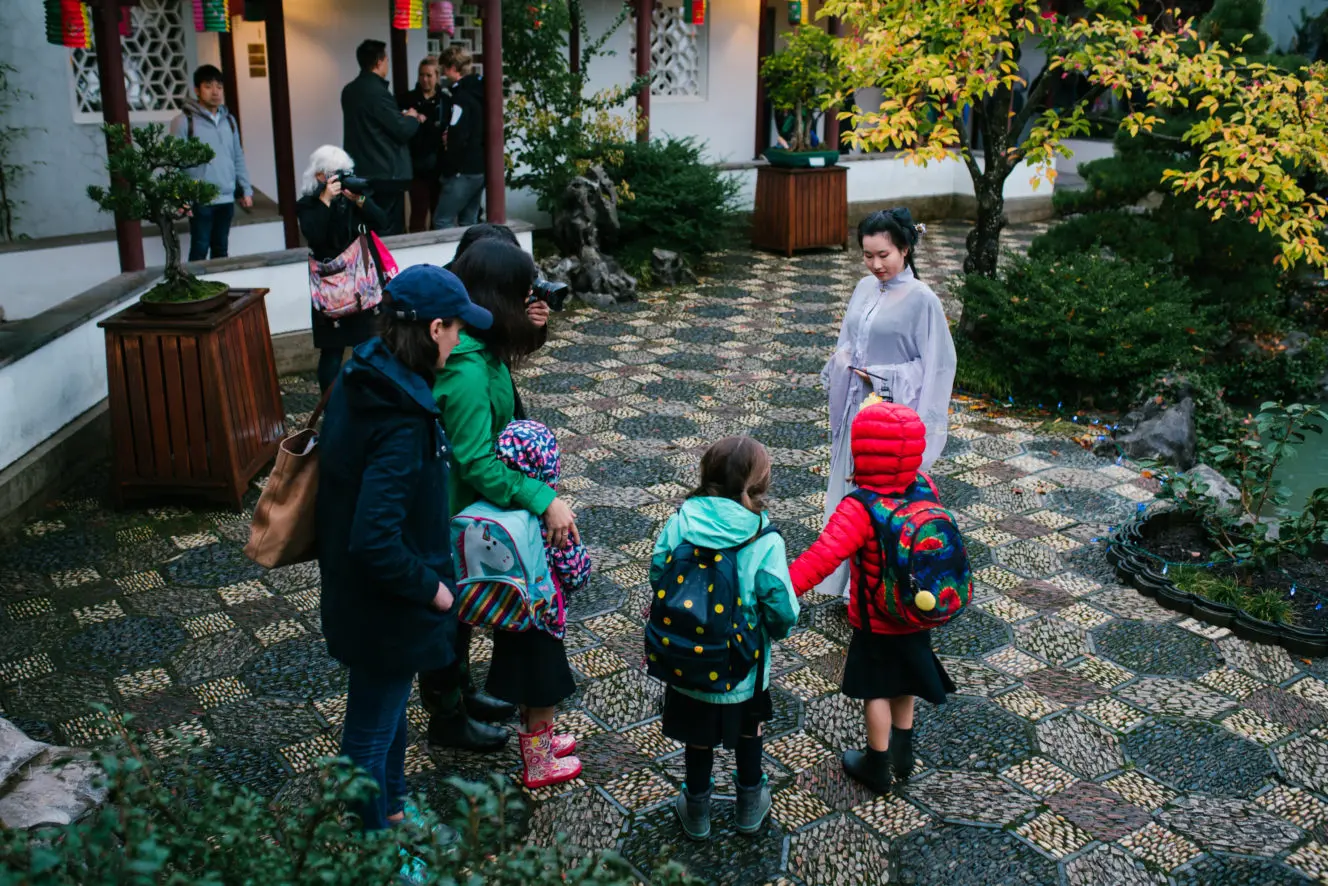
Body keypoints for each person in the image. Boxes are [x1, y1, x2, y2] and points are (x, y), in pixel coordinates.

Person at [315, 263, 493, 837]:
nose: (459, 341)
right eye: (457, 329)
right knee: (369, 734)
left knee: (387, 717)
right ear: (434, 328)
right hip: (387, 602)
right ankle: (377, 850)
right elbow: (375, 538)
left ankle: (392, 811)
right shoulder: (398, 415)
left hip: (362, 593)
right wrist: (434, 590)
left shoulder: (366, 375)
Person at [417, 238, 576, 752]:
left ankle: (463, 696)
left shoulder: (480, 348)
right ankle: (447, 718)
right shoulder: (465, 369)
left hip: (471, 512)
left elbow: (509, 353)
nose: (531, 296)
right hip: (452, 515)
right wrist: (542, 498)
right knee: (448, 620)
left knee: (460, 614)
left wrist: (536, 326)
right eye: (522, 291)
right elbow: (477, 461)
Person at [788, 401, 958, 795]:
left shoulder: (860, 508)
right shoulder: (925, 486)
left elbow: (821, 558)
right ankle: (904, 753)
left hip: (876, 621)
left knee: (877, 689)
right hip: (917, 611)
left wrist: (781, 590)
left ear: (862, 451)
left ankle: (877, 763)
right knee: (906, 680)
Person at [651, 436, 799, 841]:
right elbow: (781, 607)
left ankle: (696, 808)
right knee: (750, 731)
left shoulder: (681, 522)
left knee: (697, 737)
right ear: (759, 485)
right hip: (743, 667)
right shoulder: (765, 538)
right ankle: (749, 804)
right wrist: (775, 631)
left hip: (687, 660)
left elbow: (658, 571)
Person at [817, 207, 956, 598]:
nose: (876, 264)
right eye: (868, 255)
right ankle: (842, 579)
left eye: (884, 255)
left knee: (880, 501)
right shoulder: (864, 288)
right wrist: (844, 362)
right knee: (849, 495)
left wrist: (881, 376)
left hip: (892, 416)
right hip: (856, 410)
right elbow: (848, 340)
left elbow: (937, 364)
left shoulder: (922, 300)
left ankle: (876, 589)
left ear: (905, 249)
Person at [485, 419, 589, 788]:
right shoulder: (550, 521)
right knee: (543, 693)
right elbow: (575, 573)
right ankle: (540, 765)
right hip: (543, 621)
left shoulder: (496, 514)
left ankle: (537, 742)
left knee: (526, 688)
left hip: (509, 616)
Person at [297, 145, 392, 393]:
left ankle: (370, 398)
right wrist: (325, 201)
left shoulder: (353, 199)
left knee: (369, 346)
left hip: (361, 286)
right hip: (332, 290)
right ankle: (330, 404)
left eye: (345, 172)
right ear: (320, 176)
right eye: (335, 173)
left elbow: (383, 222)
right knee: (332, 352)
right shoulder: (309, 204)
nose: (342, 178)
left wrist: (360, 200)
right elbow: (315, 235)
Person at [170, 64, 253, 261]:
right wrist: (180, 197)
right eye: (208, 86)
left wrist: (246, 189)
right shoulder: (184, 122)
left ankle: (221, 282)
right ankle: (195, 282)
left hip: (226, 197)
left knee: (221, 250)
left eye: (219, 87)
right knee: (199, 248)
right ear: (197, 90)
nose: (215, 92)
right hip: (200, 199)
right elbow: (173, 163)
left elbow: (237, 156)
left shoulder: (229, 120)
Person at [342, 39, 423, 235]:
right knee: (387, 228)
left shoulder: (349, 91)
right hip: (386, 173)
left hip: (361, 170)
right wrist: (412, 118)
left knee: (366, 225)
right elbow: (402, 130)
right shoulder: (377, 92)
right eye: (386, 60)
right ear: (379, 62)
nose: (387, 64)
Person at [432, 46, 486, 229]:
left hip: (463, 170)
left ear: (453, 68)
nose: (443, 74)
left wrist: (449, 167)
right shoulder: (481, 92)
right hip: (480, 167)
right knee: (469, 222)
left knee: (442, 220)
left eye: (444, 69)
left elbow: (457, 135)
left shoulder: (461, 98)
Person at [402, 56, 447, 233]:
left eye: (429, 75)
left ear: (437, 76)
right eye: (421, 75)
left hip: (439, 165)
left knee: (438, 213)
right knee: (418, 213)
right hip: (416, 164)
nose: (425, 79)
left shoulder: (444, 100)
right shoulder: (408, 99)